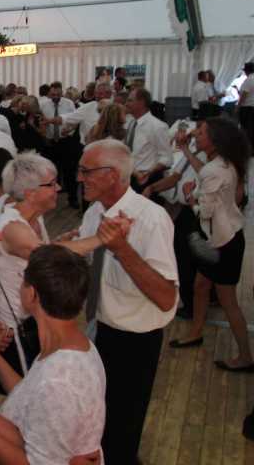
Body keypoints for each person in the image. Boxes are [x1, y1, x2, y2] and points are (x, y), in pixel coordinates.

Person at [0, 245, 106, 465]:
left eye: (23, 279)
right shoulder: (72, 346)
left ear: (32, 294)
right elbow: (33, 398)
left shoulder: (59, 379)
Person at [77, 138, 178, 465]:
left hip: (134, 342)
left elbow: (166, 297)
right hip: (98, 329)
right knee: (98, 422)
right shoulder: (94, 213)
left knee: (123, 428)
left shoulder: (151, 219)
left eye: (86, 171)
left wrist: (123, 250)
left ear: (112, 175)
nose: (79, 177)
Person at [0, 152, 107, 376]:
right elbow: (49, 256)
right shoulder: (11, 227)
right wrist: (103, 238)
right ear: (30, 193)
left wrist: (58, 241)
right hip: (17, 328)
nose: (58, 188)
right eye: (51, 184)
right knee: (26, 386)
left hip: (34, 317)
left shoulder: (34, 218)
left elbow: (37, 252)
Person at [169, 118, 252, 369]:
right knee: (200, 286)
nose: (196, 134)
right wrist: (186, 150)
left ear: (214, 141)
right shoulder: (223, 163)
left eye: (201, 132)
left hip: (222, 243)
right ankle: (196, 332)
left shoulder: (213, 170)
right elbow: (203, 170)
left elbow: (203, 212)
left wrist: (189, 197)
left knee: (228, 302)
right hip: (225, 237)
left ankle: (245, 357)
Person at [124, 88, 172, 193]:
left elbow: (167, 158)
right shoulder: (132, 123)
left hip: (147, 180)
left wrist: (149, 172)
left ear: (141, 103)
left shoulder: (157, 126)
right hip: (130, 176)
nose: (126, 104)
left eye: (130, 100)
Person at [238, 62, 254, 149]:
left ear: (247, 71)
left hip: (247, 108)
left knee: (246, 128)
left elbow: (244, 95)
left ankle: (246, 147)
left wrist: (238, 106)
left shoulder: (249, 80)